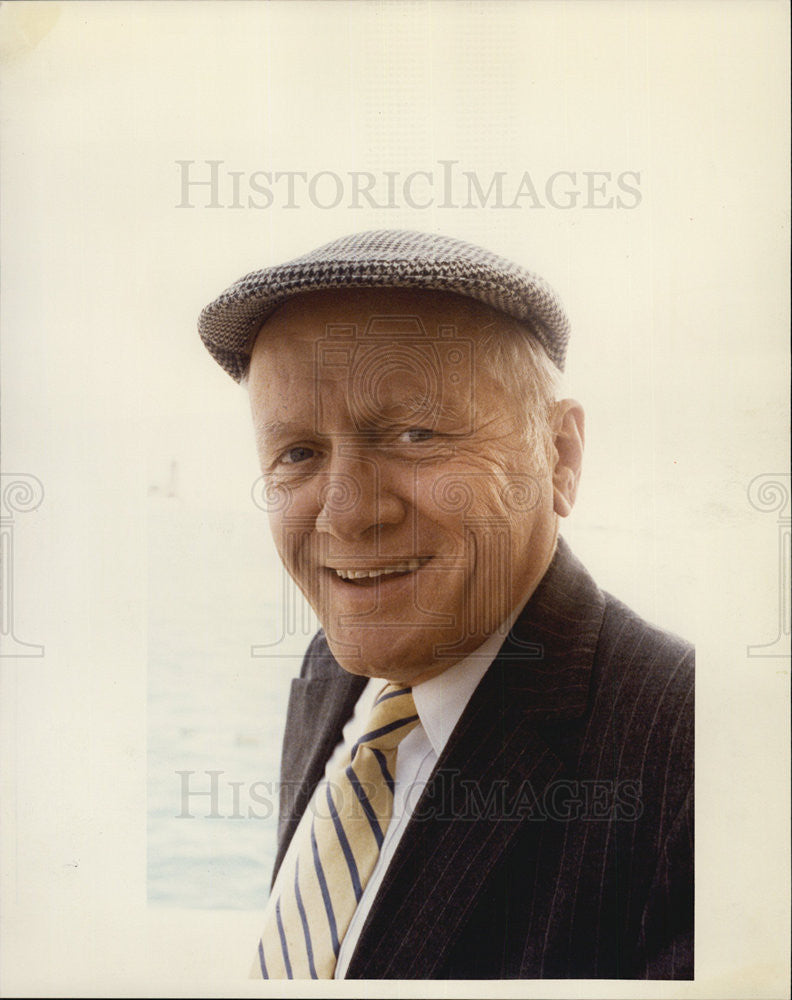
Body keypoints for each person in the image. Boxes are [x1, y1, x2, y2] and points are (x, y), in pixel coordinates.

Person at [198, 229, 694, 980]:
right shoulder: (329, 676)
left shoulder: (697, 755)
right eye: (298, 452)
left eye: (413, 433)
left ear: (558, 457)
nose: (343, 515)